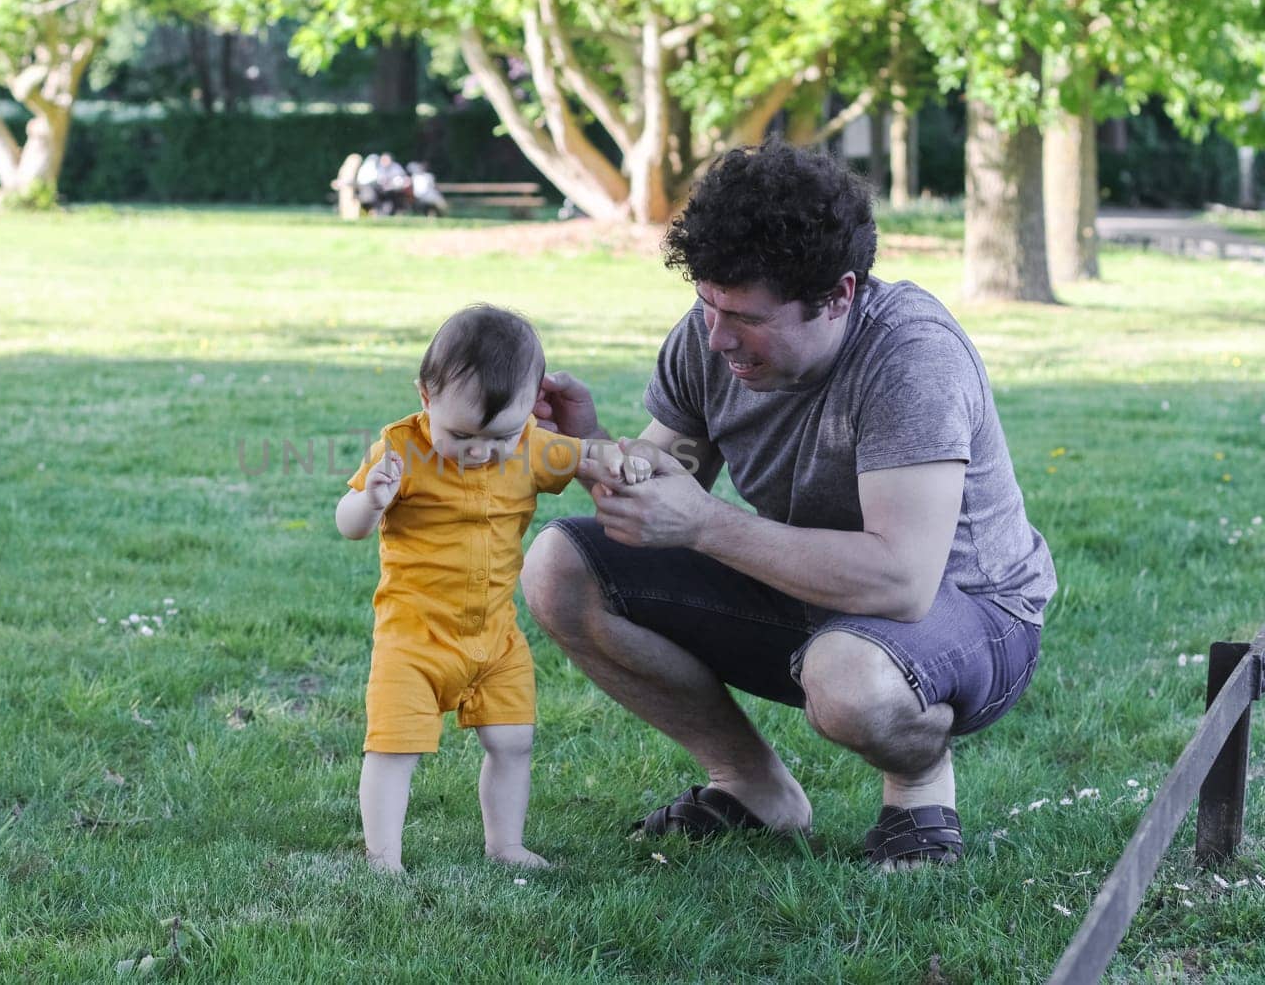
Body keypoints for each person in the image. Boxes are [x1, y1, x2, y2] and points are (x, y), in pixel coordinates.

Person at [521, 140, 1056, 869]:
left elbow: (899, 581)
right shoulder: (710, 337)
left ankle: (919, 785)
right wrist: (589, 450)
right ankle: (751, 787)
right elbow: (666, 483)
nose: (718, 337)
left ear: (838, 295)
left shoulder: (911, 358)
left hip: (970, 612)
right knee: (561, 566)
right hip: (813, 595)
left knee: (848, 677)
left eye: (745, 316)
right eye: (707, 304)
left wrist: (708, 524)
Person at [337, 305, 644, 873]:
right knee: (394, 747)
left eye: (500, 436)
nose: (481, 451)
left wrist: (622, 465)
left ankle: (505, 845)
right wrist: (369, 502)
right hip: (414, 638)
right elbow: (347, 522)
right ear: (426, 397)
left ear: (530, 411)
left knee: (513, 742)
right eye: (462, 435)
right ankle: (383, 858)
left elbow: (588, 458)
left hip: (495, 638)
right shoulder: (401, 451)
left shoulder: (530, 446)